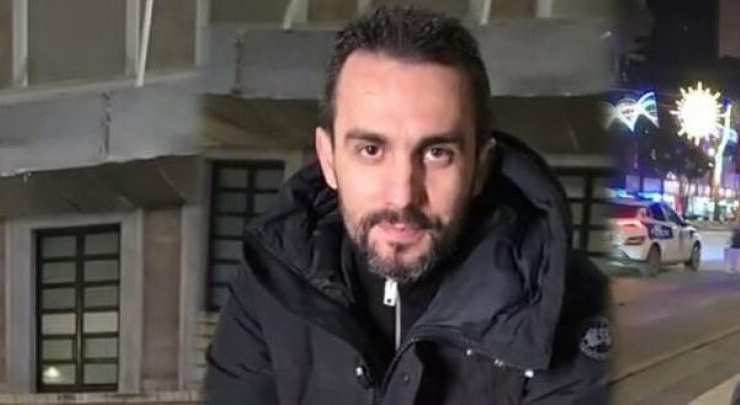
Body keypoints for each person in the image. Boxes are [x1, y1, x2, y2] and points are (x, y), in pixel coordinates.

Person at [204, 6, 610, 404]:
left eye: (436, 153)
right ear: (328, 159)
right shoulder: (273, 273)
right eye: (371, 149)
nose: (402, 195)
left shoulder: (570, 305)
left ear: (479, 168)